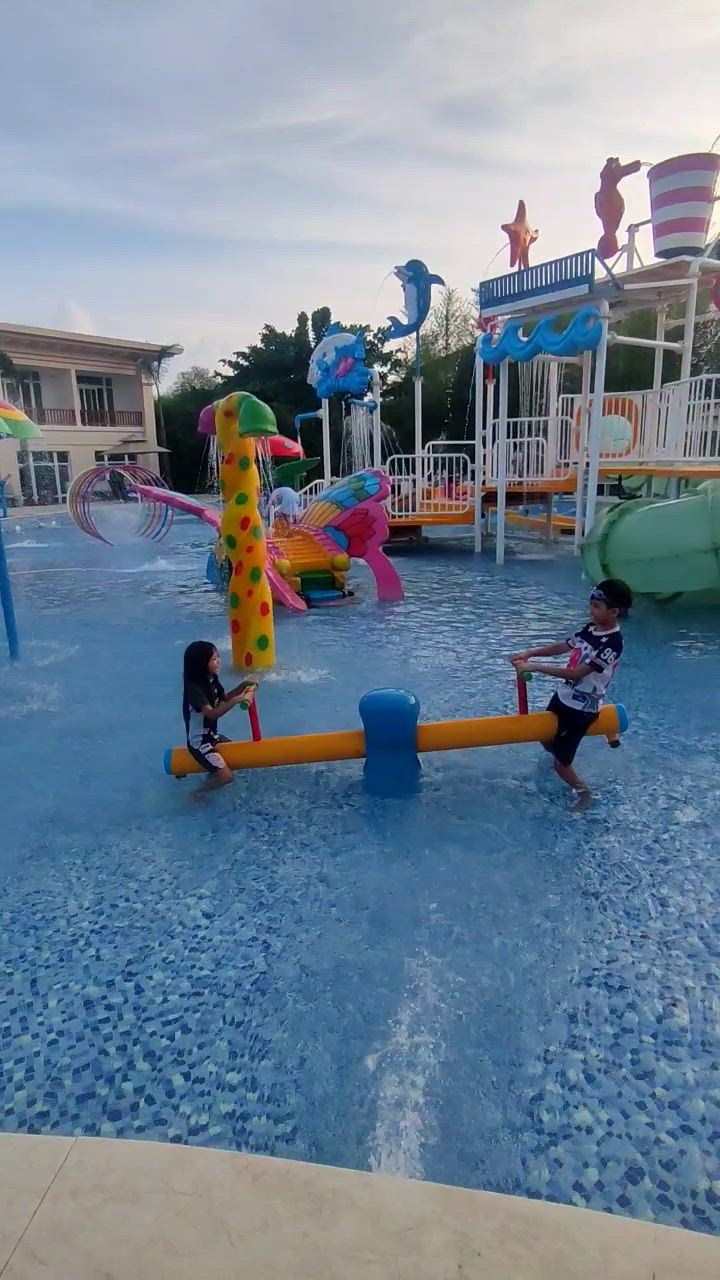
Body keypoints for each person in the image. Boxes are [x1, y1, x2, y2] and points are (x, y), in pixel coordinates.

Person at [510, 578, 632, 811]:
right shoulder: (590, 628)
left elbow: (577, 674)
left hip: (581, 710)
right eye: (591, 605)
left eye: (596, 607)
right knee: (545, 736)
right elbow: (564, 646)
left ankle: (585, 792)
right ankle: (563, 752)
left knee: (560, 766)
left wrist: (535, 667)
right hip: (563, 697)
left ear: (614, 612)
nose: (591, 610)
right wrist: (530, 653)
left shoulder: (613, 643)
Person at [182, 640, 252, 792]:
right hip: (200, 742)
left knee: (236, 754)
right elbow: (212, 714)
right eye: (214, 659)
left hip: (212, 736)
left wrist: (242, 686)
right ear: (201, 664)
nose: (218, 661)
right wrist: (236, 700)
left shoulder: (212, 680)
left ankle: (211, 773)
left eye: (217, 657)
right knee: (226, 777)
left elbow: (223, 699)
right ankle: (197, 793)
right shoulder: (194, 690)